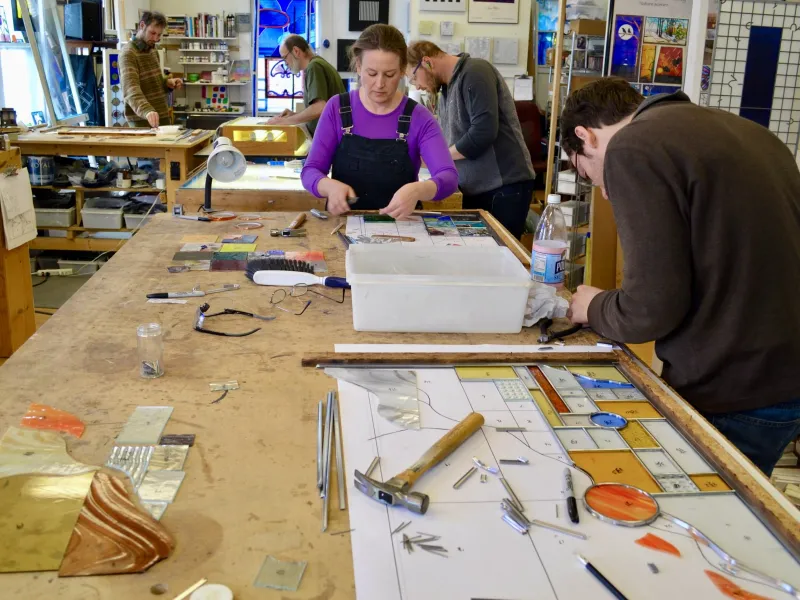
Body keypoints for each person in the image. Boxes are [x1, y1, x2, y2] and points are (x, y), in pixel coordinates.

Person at [560, 77, 800, 476]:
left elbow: (648, 310)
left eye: (586, 173)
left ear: (586, 136)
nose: (602, 191)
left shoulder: (632, 148)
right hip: (783, 379)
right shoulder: (749, 132)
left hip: (733, 386)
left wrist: (594, 305)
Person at [301, 25, 458, 219]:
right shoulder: (337, 109)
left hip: (403, 228)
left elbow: (448, 177)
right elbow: (310, 171)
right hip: (345, 226)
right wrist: (328, 186)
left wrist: (419, 190)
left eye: (390, 74)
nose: (380, 84)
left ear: (402, 70)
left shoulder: (419, 117)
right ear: (358, 66)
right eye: (372, 73)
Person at [406, 41, 535, 239]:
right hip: (478, 187)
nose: (418, 86)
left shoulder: (475, 72)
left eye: (414, 78)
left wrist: (440, 156)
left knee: (500, 253)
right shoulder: (446, 89)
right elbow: (451, 138)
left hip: (504, 187)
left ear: (427, 62)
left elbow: (483, 133)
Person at [267, 34, 345, 138]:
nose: (285, 63)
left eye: (285, 58)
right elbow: (321, 110)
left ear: (296, 51)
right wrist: (294, 115)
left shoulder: (314, 66)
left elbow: (319, 107)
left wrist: (285, 121)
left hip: (331, 139)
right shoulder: (318, 63)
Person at [120, 11, 183, 128]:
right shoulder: (128, 53)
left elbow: (153, 82)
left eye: (159, 35)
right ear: (142, 25)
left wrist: (167, 83)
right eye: (152, 33)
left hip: (161, 114)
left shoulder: (152, 50)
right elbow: (130, 90)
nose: (155, 38)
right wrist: (147, 110)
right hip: (142, 118)